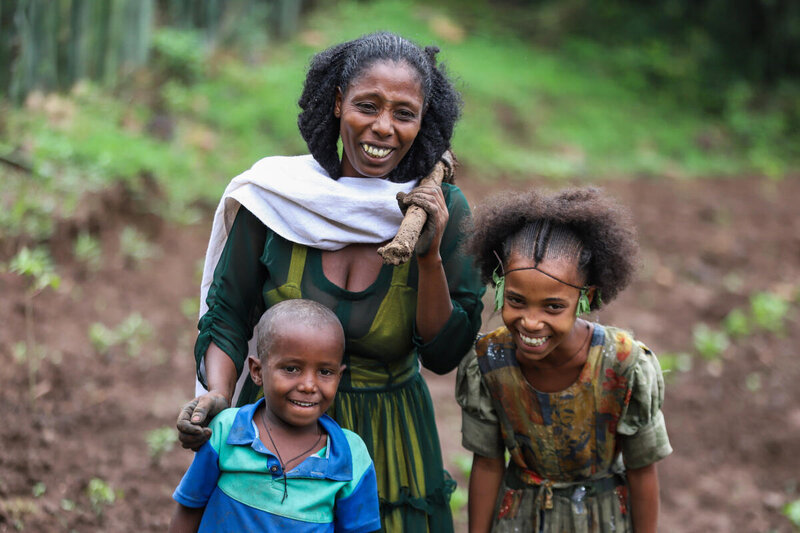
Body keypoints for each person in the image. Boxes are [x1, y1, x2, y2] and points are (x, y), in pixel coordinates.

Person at [176, 32, 485, 532]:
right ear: (338, 103)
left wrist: (429, 259)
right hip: (275, 436)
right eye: (368, 105)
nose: (383, 128)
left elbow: (444, 354)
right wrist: (217, 391)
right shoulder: (279, 199)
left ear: (423, 121)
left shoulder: (438, 211)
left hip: (391, 448)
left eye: (404, 113)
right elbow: (228, 313)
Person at [456, 187, 672, 533]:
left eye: (553, 307)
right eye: (516, 301)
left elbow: (642, 469)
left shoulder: (623, 365)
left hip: (602, 521)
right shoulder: (489, 363)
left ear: (585, 298)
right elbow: (487, 464)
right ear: (499, 284)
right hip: (518, 520)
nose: (530, 321)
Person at [170, 299, 381, 533]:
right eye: (292, 369)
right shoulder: (227, 430)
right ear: (257, 372)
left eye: (325, 372)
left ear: (339, 377)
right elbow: (190, 507)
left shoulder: (350, 455)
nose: (309, 385)